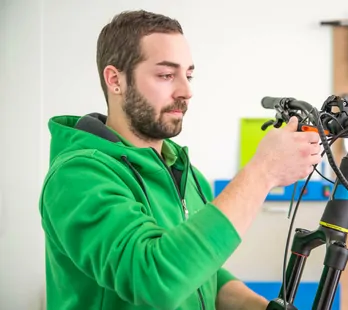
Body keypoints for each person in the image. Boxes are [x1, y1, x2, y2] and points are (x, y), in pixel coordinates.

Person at [39, 9, 322, 310]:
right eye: (166, 75)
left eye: (188, 74)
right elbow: (154, 278)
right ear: (115, 80)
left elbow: (201, 276)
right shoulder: (78, 175)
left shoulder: (188, 175)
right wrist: (263, 171)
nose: (186, 91)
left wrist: (260, 307)